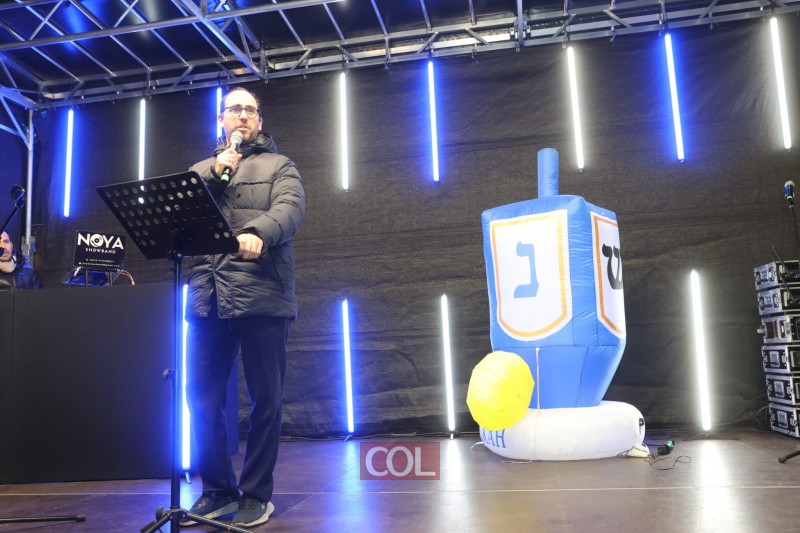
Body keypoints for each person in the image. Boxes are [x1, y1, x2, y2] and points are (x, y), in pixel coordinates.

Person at [184, 86, 306, 528]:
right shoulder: (201, 171)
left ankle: (256, 495)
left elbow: (290, 210)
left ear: (259, 120)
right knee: (201, 398)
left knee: (265, 401)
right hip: (208, 297)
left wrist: (256, 232)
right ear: (221, 119)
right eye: (234, 109)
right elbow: (183, 221)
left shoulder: (280, 166)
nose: (242, 116)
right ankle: (217, 491)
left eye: (250, 110)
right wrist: (215, 174)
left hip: (262, 294)